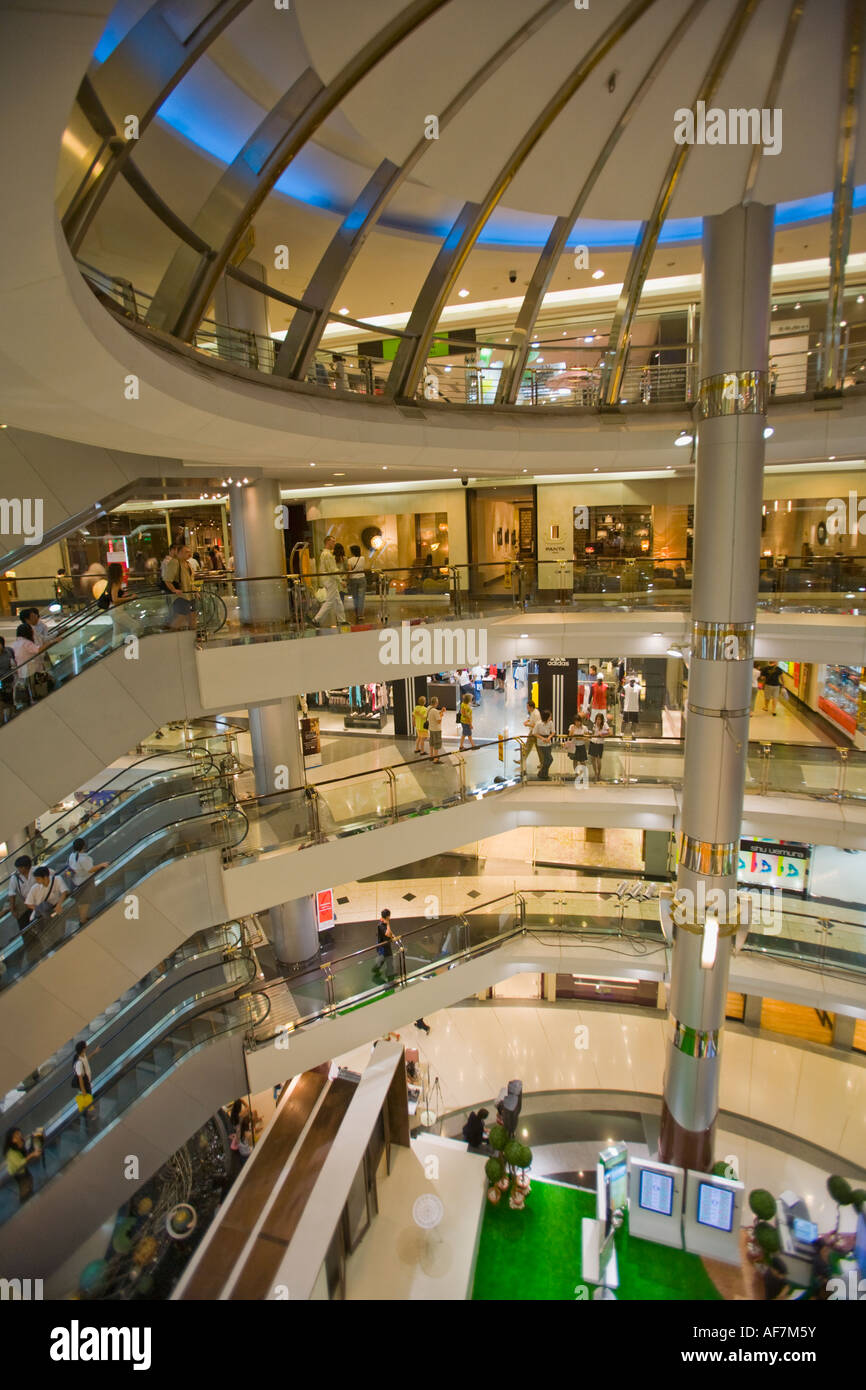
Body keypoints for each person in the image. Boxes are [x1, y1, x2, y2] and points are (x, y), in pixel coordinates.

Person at [66, 838, 109, 924]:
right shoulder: (84, 859)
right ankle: (83, 920)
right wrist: (102, 865)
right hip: (85, 883)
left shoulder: (72, 855)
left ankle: (83, 917)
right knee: (85, 902)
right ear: (83, 846)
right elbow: (90, 869)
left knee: (81, 903)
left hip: (75, 882)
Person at [161, 542, 196, 630]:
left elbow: (190, 580)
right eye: (186, 552)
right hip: (181, 596)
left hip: (190, 594)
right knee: (181, 616)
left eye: (189, 552)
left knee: (192, 615)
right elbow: (167, 579)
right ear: (178, 553)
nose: (189, 554)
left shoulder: (187, 564)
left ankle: (194, 636)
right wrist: (174, 590)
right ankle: (172, 636)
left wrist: (195, 590)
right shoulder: (175, 562)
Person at [313, 536, 346, 627]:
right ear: (327, 542)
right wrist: (340, 581)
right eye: (333, 541)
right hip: (330, 580)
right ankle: (316, 619)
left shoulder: (325, 554)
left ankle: (342, 620)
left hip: (328, 580)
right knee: (330, 601)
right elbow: (332, 570)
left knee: (337, 600)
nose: (334, 543)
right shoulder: (327, 555)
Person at [4, 1127, 41, 1204]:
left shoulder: (20, 1141)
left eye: (19, 1133)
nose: (19, 1135)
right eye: (16, 1135)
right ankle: (24, 1201)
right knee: (24, 1184)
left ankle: (28, 1195)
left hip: (22, 1168)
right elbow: (19, 1164)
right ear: (12, 1140)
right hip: (17, 1171)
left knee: (29, 1179)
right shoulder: (10, 1153)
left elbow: (24, 1150)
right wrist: (32, 1155)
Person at [7, 855, 35, 930]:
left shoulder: (35, 871)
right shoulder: (15, 877)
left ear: (24, 867)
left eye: (19, 868)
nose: (18, 870)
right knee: (26, 929)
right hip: (26, 905)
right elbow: (11, 894)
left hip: (40, 901)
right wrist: (12, 910)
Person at [372, 907, 395, 982]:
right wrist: (388, 924)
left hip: (385, 945)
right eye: (389, 916)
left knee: (383, 959)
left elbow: (390, 933)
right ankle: (390, 978)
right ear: (388, 916)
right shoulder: (381, 925)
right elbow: (387, 934)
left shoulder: (383, 922)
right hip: (384, 947)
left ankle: (375, 969)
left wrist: (393, 935)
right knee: (389, 961)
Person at [346, 544, 366, 620]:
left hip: (353, 579)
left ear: (352, 551)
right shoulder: (362, 558)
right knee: (361, 597)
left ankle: (357, 614)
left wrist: (347, 580)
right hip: (362, 578)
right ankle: (361, 614)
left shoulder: (350, 560)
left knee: (355, 597)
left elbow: (350, 571)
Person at [589, 711, 610, 782]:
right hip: (593, 742)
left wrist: (603, 735)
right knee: (592, 758)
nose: (598, 721)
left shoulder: (605, 724)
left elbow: (610, 733)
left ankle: (599, 773)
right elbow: (593, 732)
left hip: (600, 743)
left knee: (598, 759)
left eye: (599, 719)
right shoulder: (594, 725)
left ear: (602, 720)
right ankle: (595, 773)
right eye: (597, 719)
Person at [535, 709, 555, 780]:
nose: (551, 718)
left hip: (548, 743)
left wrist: (549, 737)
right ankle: (542, 773)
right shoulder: (538, 723)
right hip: (541, 743)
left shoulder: (551, 723)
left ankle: (543, 774)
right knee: (549, 759)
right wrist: (542, 738)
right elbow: (534, 733)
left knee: (547, 759)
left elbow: (553, 732)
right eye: (550, 716)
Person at [522, 700, 541, 771]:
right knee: (536, 748)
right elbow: (532, 720)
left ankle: (522, 760)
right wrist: (528, 721)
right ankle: (542, 763)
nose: (527, 708)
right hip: (533, 732)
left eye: (527, 707)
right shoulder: (533, 712)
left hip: (534, 732)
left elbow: (536, 724)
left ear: (531, 707)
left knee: (528, 747)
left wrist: (527, 724)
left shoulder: (536, 713)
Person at [0, 636, 16, 722]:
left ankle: (11, 718)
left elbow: (14, 661)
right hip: (0, 682)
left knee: (10, 700)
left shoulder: (9, 651)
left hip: (9, 679)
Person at [426, 697, 443, 763]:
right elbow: (439, 721)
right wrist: (441, 715)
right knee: (437, 743)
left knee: (432, 742)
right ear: (436, 703)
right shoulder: (435, 711)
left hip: (431, 728)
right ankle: (436, 759)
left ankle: (431, 755)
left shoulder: (428, 708)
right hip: (436, 729)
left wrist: (441, 712)